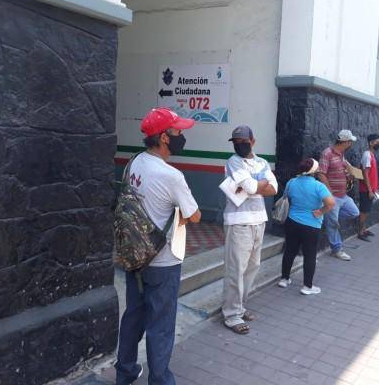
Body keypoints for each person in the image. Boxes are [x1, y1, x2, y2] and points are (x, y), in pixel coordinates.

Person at [115, 107, 201, 385]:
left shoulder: (134, 163)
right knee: (161, 325)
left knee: (133, 316)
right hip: (163, 261)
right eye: (178, 132)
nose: (181, 136)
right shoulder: (171, 175)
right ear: (164, 138)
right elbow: (195, 216)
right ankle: (161, 380)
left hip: (134, 256)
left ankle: (125, 372)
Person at [222, 125, 278, 334]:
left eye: (243, 141)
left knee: (252, 268)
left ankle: (239, 306)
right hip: (238, 222)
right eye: (236, 142)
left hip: (259, 221)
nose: (239, 145)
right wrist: (258, 184)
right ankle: (231, 314)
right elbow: (254, 188)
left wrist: (254, 185)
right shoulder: (233, 161)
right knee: (236, 270)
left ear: (252, 141)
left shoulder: (262, 162)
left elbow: (274, 188)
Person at [278, 158, 334, 295]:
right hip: (311, 225)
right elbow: (331, 203)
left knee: (290, 251)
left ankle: (284, 279)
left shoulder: (291, 182)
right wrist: (320, 211)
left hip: (292, 221)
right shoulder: (319, 186)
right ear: (314, 171)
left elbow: (287, 198)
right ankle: (307, 286)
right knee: (309, 255)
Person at [317, 129, 360, 261]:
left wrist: (351, 174)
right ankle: (337, 249)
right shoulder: (327, 153)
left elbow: (346, 168)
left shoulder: (341, 155)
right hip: (333, 196)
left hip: (343, 195)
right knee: (332, 223)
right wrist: (329, 192)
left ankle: (329, 218)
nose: (351, 144)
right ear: (345, 142)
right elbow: (321, 173)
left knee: (354, 212)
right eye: (350, 142)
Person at [358, 134, 379, 241]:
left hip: (371, 189)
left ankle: (364, 229)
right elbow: (365, 173)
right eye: (377, 141)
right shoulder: (367, 155)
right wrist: (369, 190)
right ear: (371, 142)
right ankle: (360, 232)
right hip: (366, 190)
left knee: (366, 211)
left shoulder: (371, 155)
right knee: (364, 211)